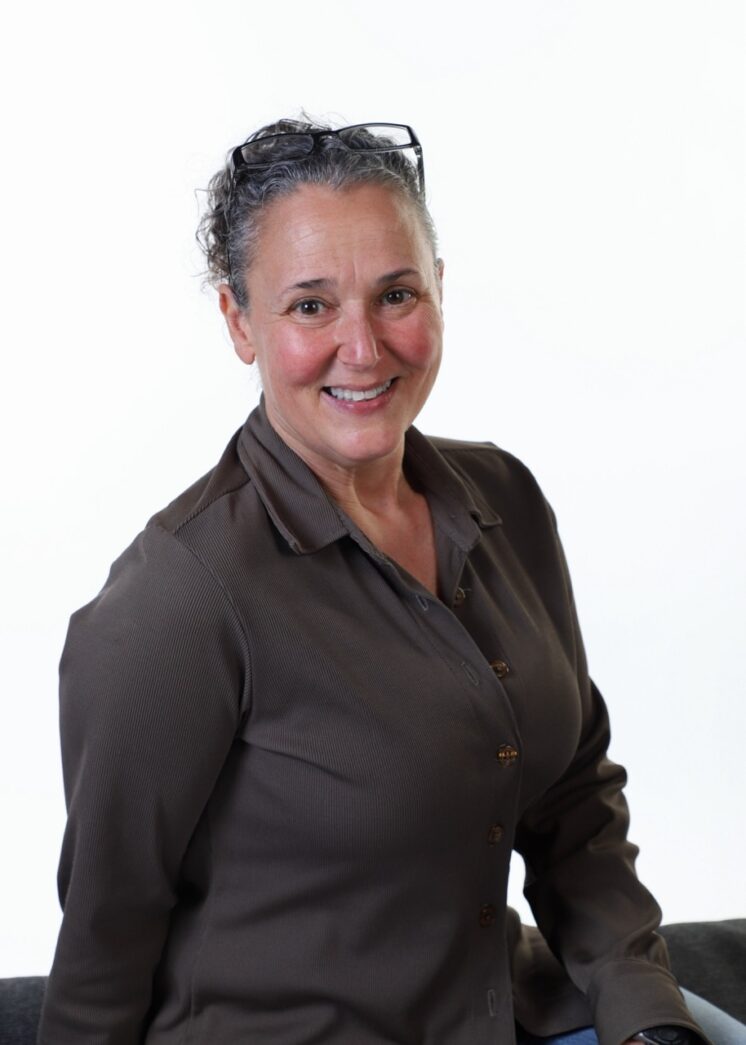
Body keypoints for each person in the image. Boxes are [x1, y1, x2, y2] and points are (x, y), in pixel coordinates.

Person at [37, 119, 741, 1045]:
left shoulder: (506, 499)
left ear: (440, 288)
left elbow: (572, 798)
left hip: (519, 1009)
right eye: (310, 306)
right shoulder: (178, 597)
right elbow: (104, 938)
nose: (364, 348)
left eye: (395, 293)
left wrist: (647, 1017)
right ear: (239, 322)